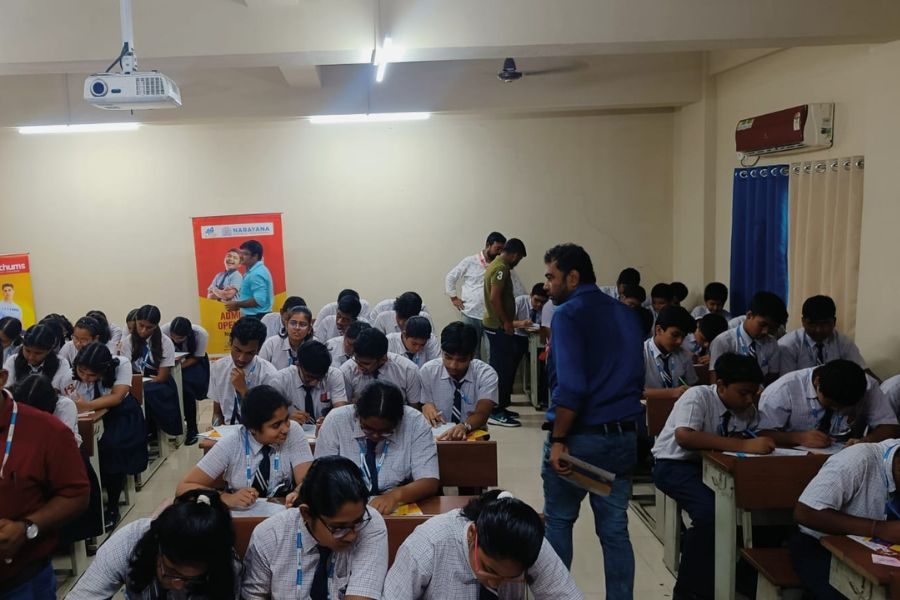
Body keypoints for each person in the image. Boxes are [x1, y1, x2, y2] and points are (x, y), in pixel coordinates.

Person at [540, 243, 644, 600]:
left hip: (579, 442)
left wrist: (558, 440)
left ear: (573, 277)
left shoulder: (568, 315)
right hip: (621, 440)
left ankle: (556, 596)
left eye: (551, 277)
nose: (547, 285)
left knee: (559, 520)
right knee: (615, 531)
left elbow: (572, 388)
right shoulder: (627, 314)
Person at [652, 353, 773, 600]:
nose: (749, 399)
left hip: (718, 468)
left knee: (762, 506)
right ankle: (691, 593)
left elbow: (752, 434)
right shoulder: (697, 396)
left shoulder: (747, 409)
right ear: (721, 385)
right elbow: (685, 437)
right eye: (743, 393)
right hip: (676, 465)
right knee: (711, 514)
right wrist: (744, 445)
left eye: (753, 393)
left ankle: (744, 578)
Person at [384, 490, 583, 600]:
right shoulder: (429, 544)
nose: (495, 584)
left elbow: (566, 595)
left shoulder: (528, 544)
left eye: (510, 577)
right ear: (473, 534)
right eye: (489, 570)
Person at [242, 455, 389, 599]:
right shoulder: (270, 535)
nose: (352, 536)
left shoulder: (370, 524)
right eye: (339, 528)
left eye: (358, 522)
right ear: (306, 514)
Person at [0, 382, 90, 596]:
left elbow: (76, 494)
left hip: (20, 580)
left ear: (2, 378)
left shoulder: (46, 429)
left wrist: (26, 527)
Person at [67, 489, 239, 599]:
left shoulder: (225, 565)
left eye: (193, 579)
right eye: (171, 571)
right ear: (158, 547)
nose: (178, 584)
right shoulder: (129, 541)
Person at [791, 440, 900, 599]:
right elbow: (805, 512)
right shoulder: (859, 459)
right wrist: (879, 529)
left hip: (878, 552)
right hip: (819, 546)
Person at [315, 381, 439, 515]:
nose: (375, 436)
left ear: (399, 421)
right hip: (344, 502)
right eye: (367, 429)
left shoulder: (414, 421)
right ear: (357, 414)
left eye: (386, 431)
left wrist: (396, 496)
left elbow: (430, 480)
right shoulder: (336, 420)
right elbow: (321, 477)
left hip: (398, 502)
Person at [177, 385, 314, 507]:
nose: (285, 429)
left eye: (286, 419)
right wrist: (226, 498)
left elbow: (307, 481)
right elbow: (184, 487)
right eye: (276, 425)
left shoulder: (293, 431)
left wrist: (298, 492)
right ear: (253, 428)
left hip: (283, 510)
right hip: (240, 515)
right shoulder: (232, 443)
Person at [12, 374, 103, 548]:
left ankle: (71, 539)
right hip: (35, 458)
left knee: (61, 495)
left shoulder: (64, 405)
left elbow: (61, 445)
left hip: (68, 458)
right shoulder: (17, 408)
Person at [68, 342, 148, 530]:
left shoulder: (121, 364)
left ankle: (112, 506)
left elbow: (117, 397)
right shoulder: (70, 370)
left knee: (111, 447)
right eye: (81, 372)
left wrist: (86, 405)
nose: (85, 378)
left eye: (92, 375)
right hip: (90, 415)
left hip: (121, 414)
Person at [758, 359, 900, 447]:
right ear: (817, 382)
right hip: (794, 458)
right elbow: (762, 433)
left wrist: (865, 441)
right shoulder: (783, 390)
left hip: (843, 455)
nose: (839, 411)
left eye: (846, 408)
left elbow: (890, 426)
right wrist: (799, 438)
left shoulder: (867, 385)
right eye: (832, 405)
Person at [419, 322, 498, 441]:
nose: (453, 365)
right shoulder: (428, 371)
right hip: (437, 436)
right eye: (448, 357)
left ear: (472, 356)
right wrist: (425, 406)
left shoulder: (486, 374)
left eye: (461, 360)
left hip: (472, 431)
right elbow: (423, 405)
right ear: (442, 351)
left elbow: (482, 413)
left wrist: (464, 426)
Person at [482, 238, 528, 427]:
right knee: (501, 370)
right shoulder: (501, 268)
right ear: (515, 255)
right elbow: (495, 298)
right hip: (498, 326)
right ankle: (495, 411)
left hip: (496, 325)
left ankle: (500, 406)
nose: (518, 262)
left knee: (504, 367)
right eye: (519, 258)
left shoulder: (496, 265)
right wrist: (506, 322)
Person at [445, 232, 509, 357]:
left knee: (494, 353)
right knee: (470, 352)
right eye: (497, 248)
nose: (499, 253)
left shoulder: (501, 265)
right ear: (488, 245)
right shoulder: (470, 261)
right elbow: (450, 277)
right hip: (470, 314)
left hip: (491, 316)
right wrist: (453, 297)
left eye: (502, 249)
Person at [121, 305, 182, 436]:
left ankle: (153, 429)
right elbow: (125, 370)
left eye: (149, 327)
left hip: (158, 381)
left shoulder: (165, 342)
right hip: (135, 379)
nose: (143, 330)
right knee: (125, 398)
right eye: (141, 325)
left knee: (149, 393)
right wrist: (135, 383)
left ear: (156, 326)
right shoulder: (128, 342)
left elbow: (163, 376)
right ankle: (137, 432)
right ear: (136, 321)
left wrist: (143, 384)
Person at [209, 316, 278, 426]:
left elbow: (269, 417)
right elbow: (217, 413)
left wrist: (244, 391)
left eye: (249, 353)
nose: (241, 358)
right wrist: (216, 429)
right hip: (227, 430)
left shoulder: (269, 374)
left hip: (257, 431)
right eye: (237, 350)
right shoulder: (218, 368)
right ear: (230, 342)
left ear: (258, 349)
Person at [709, 291, 787, 385]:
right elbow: (715, 384)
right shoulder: (723, 342)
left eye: (772, 328)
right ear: (749, 315)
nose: (766, 331)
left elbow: (772, 379)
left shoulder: (771, 343)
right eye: (762, 325)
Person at [777, 294, 868, 374]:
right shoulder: (788, 345)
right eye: (812, 324)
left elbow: (862, 371)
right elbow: (786, 381)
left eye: (825, 324)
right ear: (803, 321)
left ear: (834, 322)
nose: (818, 330)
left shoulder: (843, 342)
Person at [270, 340, 349, 425]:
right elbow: (268, 417)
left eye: (319, 378)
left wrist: (330, 421)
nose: (314, 383)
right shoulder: (280, 381)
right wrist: (285, 419)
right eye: (309, 377)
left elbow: (341, 412)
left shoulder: (334, 375)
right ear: (298, 365)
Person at [340, 328, 422, 406]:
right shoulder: (347, 371)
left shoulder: (408, 370)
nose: (359, 367)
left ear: (383, 359)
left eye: (366, 363)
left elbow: (413, 409)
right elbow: (344, 409)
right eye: (356, 361)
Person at [161, 317, 211, 445]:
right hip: (170, 363)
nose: (175, 340)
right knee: (165, 387)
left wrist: (177, 368)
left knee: (187, 388)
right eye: (173, 337)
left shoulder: (200, 334)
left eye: (179, 338)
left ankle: (192, 428)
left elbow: (197, 357)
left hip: (192, 361)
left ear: (187, 335)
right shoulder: (164, 331)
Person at [642, 306, 698, 402]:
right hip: (646, 409)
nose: (679, 341)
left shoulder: (684, 355)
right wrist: (672, 393)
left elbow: (693, 387)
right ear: (659, 330)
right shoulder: (641, 353)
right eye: (675, 335)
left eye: (683, 337)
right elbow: (632, 391)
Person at [2, 323, 72, 392]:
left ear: (49, 350)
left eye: (38, 353)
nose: (31, 357)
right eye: (27, 351)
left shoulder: (61, 363)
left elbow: (54, 391)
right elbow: (6, 390)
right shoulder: (13, 360)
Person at [224, 239, 274, 319]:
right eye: (240, 253)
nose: (241, 256)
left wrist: (237, 304)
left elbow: (259, 300)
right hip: (255, 316)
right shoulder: (253, 271)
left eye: (245, 254)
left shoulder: (256, 274)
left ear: (255, 256)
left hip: (257, 318)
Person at [260, 305, 314, 370]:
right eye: (293, 323)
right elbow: (260, 370)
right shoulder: (271, 344)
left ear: (309, 329)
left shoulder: (315, 347)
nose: (297, 328)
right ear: (286, 325)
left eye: (302, 324)